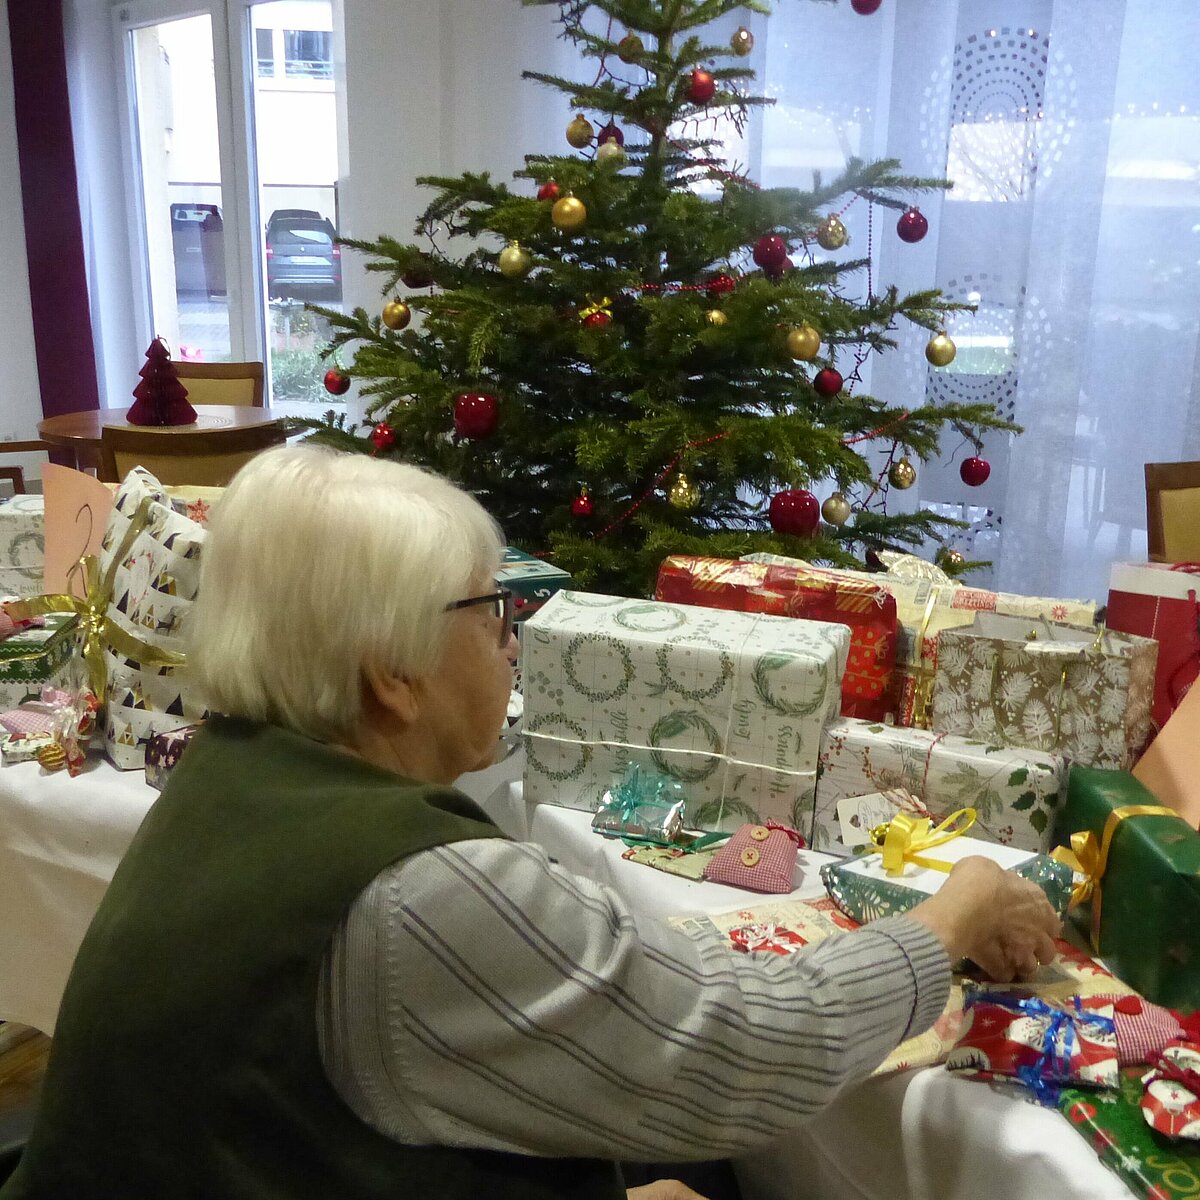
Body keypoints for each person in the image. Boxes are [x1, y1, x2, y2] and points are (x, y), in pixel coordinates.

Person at [2, 446, 1061, 1200]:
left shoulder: (231, 778)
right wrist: (948, 919)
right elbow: (733, 1060)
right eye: (490, 610)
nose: (516, 641)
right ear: (393, 673)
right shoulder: (413, 888)